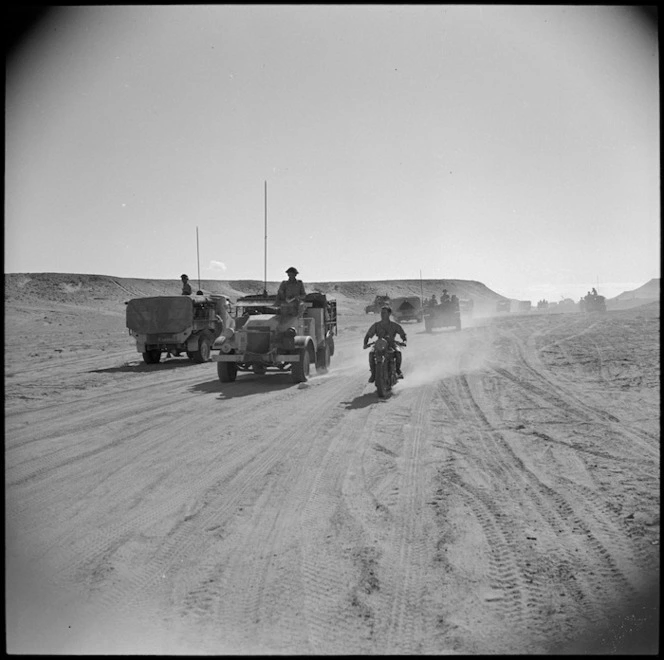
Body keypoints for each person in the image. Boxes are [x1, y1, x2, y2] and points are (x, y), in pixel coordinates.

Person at [363, 305, 407, 383]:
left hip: (391, 344)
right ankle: (373, 373)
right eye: (382, 313)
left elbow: (403, 334)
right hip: (380, 344)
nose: (382, 314)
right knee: (371, 353)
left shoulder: (394, 325)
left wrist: (404, 341)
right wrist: (365, 343)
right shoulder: (376, 325)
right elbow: (368, 335)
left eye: (384, 313)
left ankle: (398, 370)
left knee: (398, 352)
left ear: (389, 314)